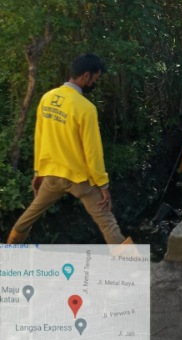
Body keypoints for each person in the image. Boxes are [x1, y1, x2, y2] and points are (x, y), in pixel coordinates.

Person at [6, 53, 127, 245]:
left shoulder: (47, 98)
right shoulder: (86, 108)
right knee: (108, 223)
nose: (95, 83)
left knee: (26, 219)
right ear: (86, 76)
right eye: (96, 79)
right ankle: (131, 270)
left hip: (51, 176)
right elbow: (93, 152)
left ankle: (9, 251)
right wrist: (103, 185)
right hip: (79, 180)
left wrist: (39, 171)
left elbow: (40, 137)